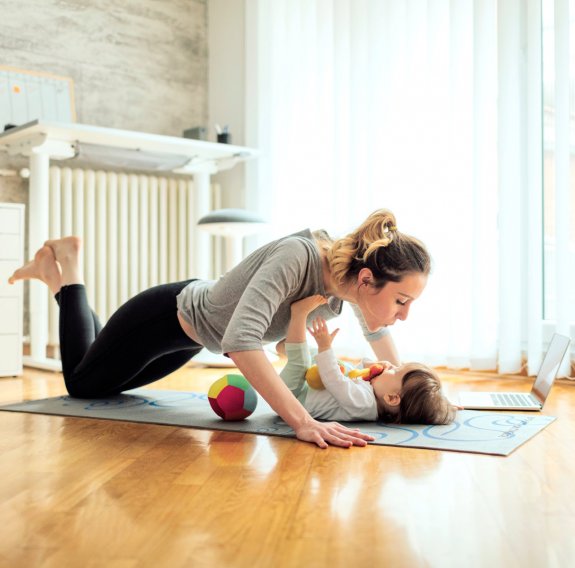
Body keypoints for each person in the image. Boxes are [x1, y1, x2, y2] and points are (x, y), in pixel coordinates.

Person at [9, 208, 430, 449]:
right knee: (82, 384)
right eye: (401, 301)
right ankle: (67, 268)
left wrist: (418, 387)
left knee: (105, 382)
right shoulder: (298, 257)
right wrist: (303, 422)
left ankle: (52, 273)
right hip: (164, 316)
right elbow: (241, 342)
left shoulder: (347, 283)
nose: (403, 315)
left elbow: (378, 337)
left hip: (193, 340)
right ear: (367, 281)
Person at [280, 295, 456, 424]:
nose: (390, 367)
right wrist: (371, 365)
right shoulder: (375, 392)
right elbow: (357, 370)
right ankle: (286, 347)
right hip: (305, 388)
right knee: (307, 355)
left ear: (392, 398)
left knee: (301, 362)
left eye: (395, 370)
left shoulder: (363, 404)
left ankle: (299, 314)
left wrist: (325, 346)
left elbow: (334, 380)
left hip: (292, 399)